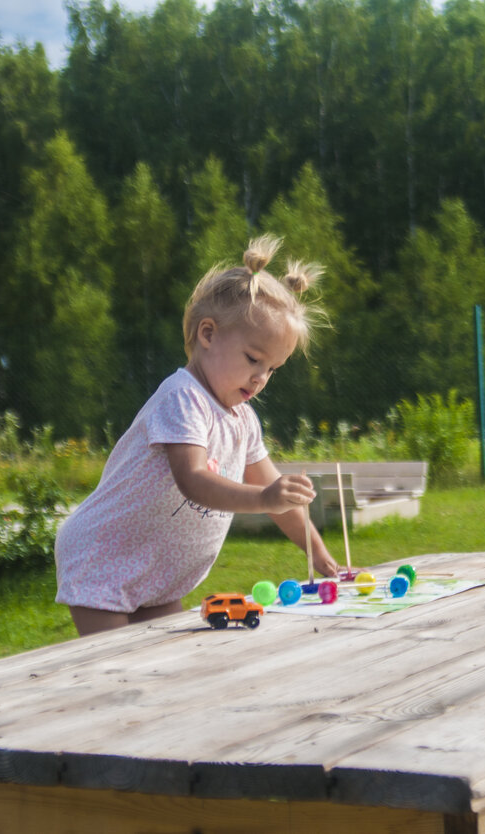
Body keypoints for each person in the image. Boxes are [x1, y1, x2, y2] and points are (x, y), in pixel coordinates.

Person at [56, 236, 339, 637]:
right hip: (105, 554)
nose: (261, 378)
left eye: (273, 368)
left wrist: (320, 555)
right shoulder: (183, 397)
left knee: (165, 667)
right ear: (208, 334)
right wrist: (262, 498)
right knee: (112, 669)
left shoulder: (243, 420)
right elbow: (193, 479)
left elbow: (277, 496)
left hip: (158, 568)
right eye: (253, 359)